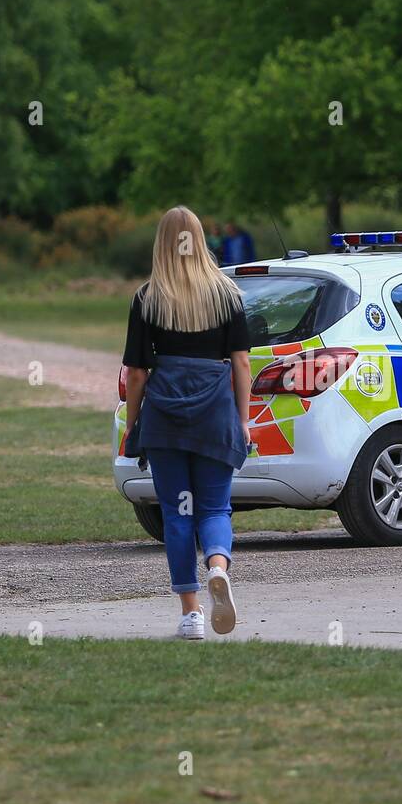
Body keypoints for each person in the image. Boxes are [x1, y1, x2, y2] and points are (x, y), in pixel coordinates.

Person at [122, 206, 252, 640]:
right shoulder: (227, 294)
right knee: (215, 508)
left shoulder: (147, 298)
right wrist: (243, 420)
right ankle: (218, 566)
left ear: (162, 242)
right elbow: (241, 363)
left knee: (179, 514)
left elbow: (137, 374)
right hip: (215, 410)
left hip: (166, 415)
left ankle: (191, 614)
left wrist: (133, 422)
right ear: (200, 239)